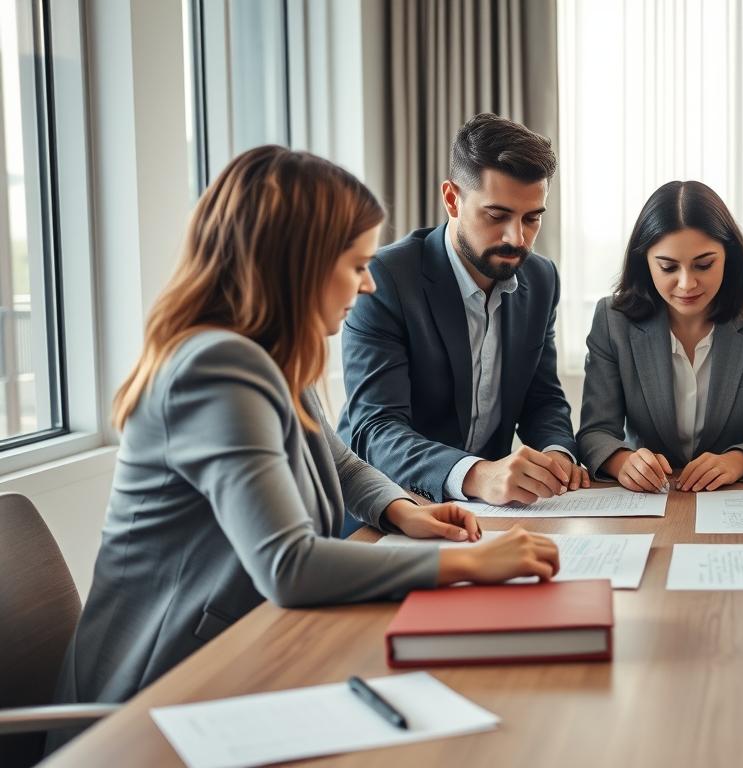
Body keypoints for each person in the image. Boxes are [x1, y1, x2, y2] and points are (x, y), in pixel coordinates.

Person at [52, 146, 560, 712]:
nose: (368, 285)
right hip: (162, 691)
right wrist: (467, 562)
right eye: (355, 265)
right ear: (299, 263)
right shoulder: (215, 367)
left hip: (251, 649)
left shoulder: (267, 354)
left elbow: (337, 462)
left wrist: (402, 511)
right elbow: (288, 565)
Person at [339, 113, 583, 534]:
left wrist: (558, 454)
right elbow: (375, 430)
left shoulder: (541, 279)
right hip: (388, 512)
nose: (517, 238)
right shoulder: (385, 280)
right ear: (452, 199)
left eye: (531, 218)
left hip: (490, 518)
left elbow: (542, 398)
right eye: (497, 215)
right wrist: (476, 474)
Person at [578, 181, 743, 492]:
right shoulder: (612, 319)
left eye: (704, 264)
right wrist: (623, 462)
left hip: (731, 495)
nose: (686, 284)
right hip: (649, 497)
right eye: (668, 267)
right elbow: (595, 432)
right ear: (645, 262)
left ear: (729, 256)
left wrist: (736, 461)